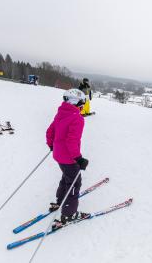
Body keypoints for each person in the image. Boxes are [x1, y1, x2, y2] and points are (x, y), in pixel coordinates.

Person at [46, 88, 90, 225]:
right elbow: (71, 141)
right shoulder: (77, 118)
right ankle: (69, 214)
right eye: (81, 104)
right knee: (74, 183)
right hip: (69, 157)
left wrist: (51, 145)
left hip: (58, 155)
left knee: (67, 176)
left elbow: (50, 131)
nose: (82, 107)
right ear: (75, 103)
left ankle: (61, 201)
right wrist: (78, 158)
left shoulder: (61, 113)